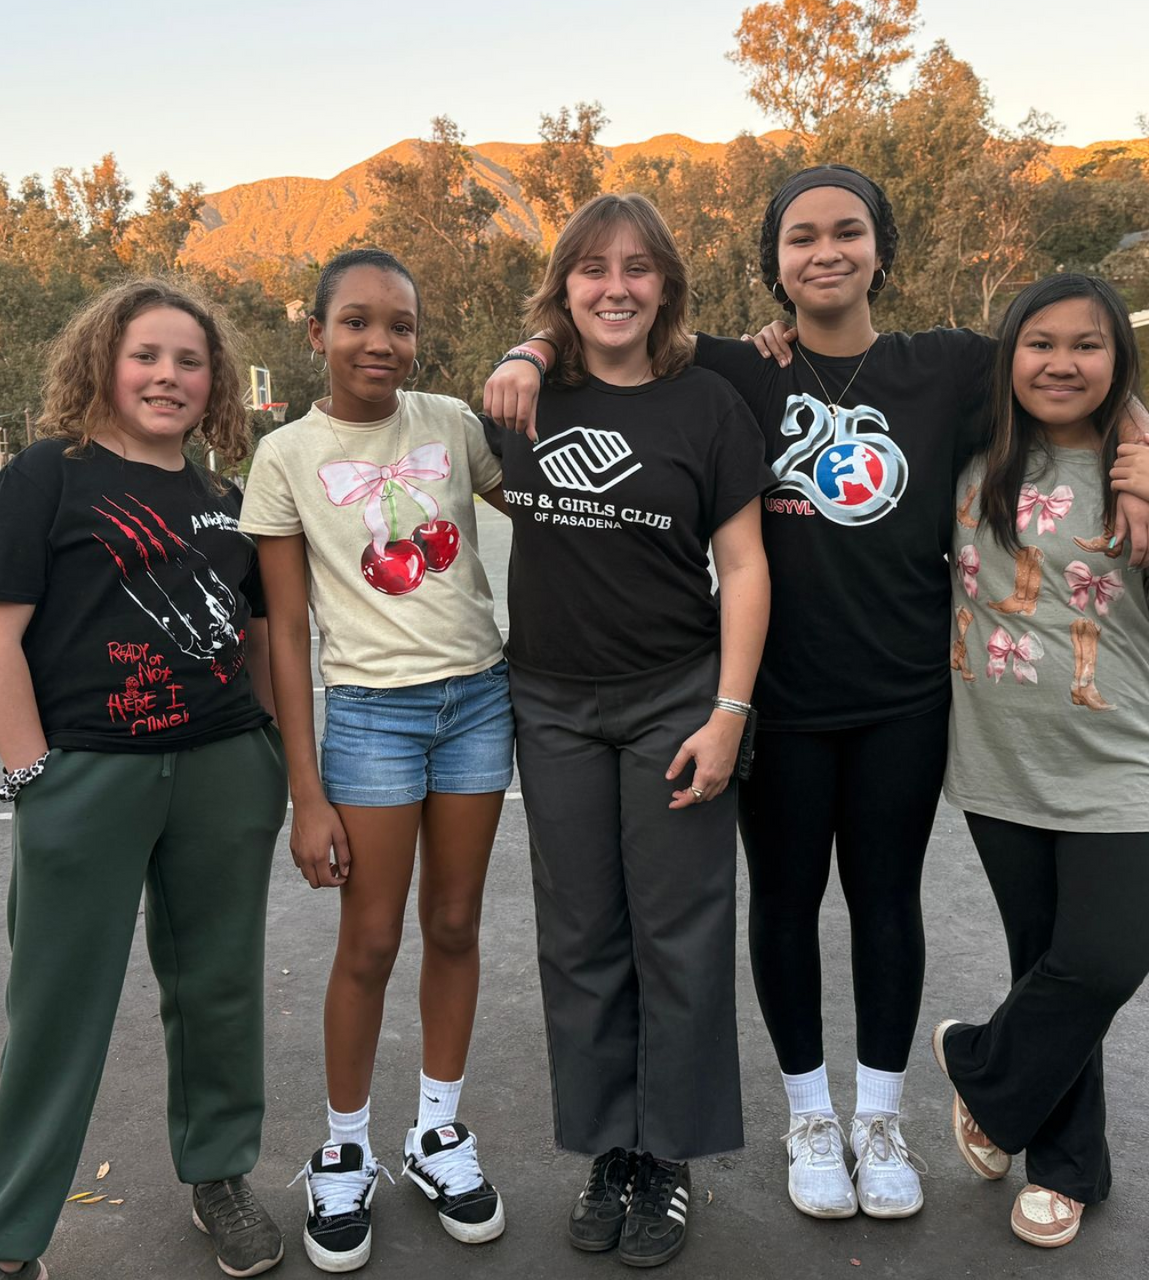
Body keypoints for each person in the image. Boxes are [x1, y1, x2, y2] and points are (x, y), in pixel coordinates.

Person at [484, 165, 1149, 1223]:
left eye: (847, 231)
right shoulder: (733, 368)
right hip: (777, 699)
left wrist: (1147, 456)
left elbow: (1075, 366)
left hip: (905, 695)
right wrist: (528, 349)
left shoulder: (945, 366)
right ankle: (810, 1117)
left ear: (880, 248)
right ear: (774, 262)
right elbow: (608, 322)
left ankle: (880, 1117)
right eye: (800, 237)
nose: (825, 252)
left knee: (888, 905)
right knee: (785, 904)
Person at [0, 278, 289, 1280]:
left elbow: (259, 636)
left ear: (215, 380)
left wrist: (268, 748)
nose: (167, 376)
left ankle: (219, 1175)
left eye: (190, 361)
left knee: (219, 988)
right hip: (88, 776)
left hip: (225, 771)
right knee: (55, 1011)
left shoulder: (227, 501)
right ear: (104, 360)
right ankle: (7, 1241)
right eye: (147, 355)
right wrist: (33, 777)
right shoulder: (46, 476)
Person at [931, 273, 1149, 1249]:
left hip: (1125, 758)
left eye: (1088, 344)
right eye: (1040, 343)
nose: (1061, 363)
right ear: (1009, 356)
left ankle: (982, 1067)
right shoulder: (968, 453)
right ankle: (1070, 1169)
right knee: (1050, 968)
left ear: (1120, 359)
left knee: (1106, 958)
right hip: (1001, 758)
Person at [490, 193, 771, 1269]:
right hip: (551, 702)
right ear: (564, 287)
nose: (616, 286)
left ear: (666, 287)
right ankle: (610, 1148)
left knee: (680, 934)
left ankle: (670, 1156)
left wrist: (729, 712)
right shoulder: (522, 398)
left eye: (638, 267)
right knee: (580, 937)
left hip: (675, 697)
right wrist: (527, 348)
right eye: (593, 268)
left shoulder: (707, 406)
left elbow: (744, 565)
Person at [241, 248, 513, 1273]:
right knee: (369, 938)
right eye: (356, 321)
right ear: (316, 334)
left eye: (400, 324)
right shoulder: (286, 455)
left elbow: (558, 513)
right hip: (370, 720)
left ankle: (437, 1132)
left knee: (456, 922)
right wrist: (304, 791)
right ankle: (344, 1147)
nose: (380, 342)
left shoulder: (452, 423)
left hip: (479, 702)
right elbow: (285, 631)